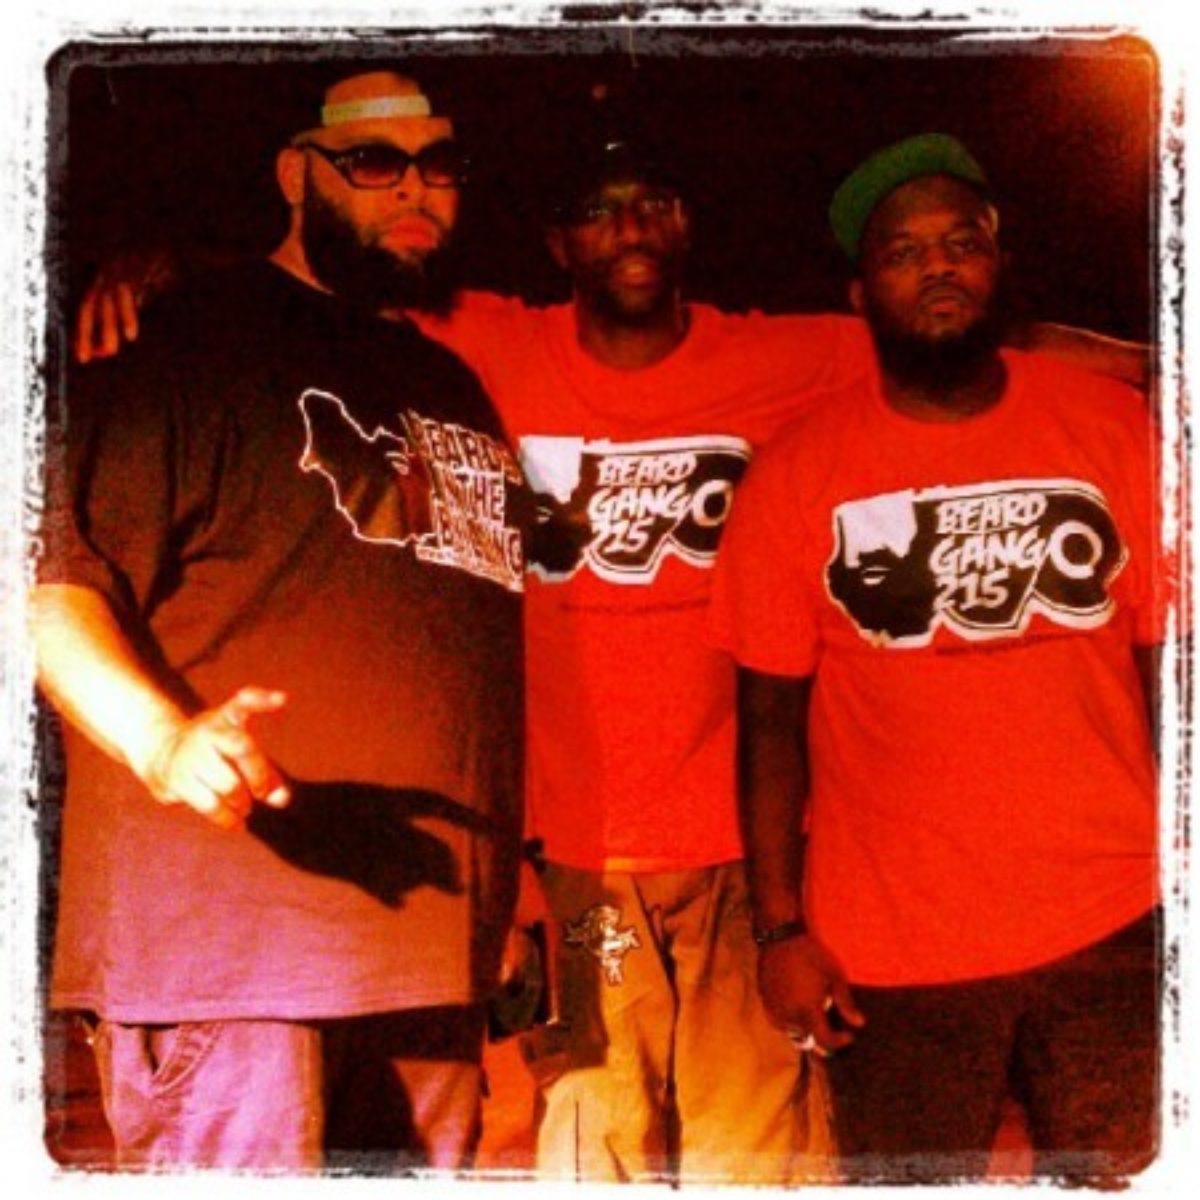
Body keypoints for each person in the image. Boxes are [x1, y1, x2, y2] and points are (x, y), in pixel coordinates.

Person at [67, 82, 1152, 1185]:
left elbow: (974, 331)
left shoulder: (782, 358)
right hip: (576, 864)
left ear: (687, 227)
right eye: (598, 209)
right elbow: (334, 277)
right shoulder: (481, 343)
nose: (629, 228)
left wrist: (1151, 361)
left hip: (737, 863)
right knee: (596, 1142)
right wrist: (168, 267)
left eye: (653, 205)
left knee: (759, 1158)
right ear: (558, 244)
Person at [32, 68, 529, 1172]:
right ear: (296, 174)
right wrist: (164, 742)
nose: (415, 187)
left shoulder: (451, 382)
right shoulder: (188, 341)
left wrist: (502, 902)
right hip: (235, 961)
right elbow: (48, 589)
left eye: (440, 164)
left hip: (429, 962)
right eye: (375, 160)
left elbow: (469, 656)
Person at [709, 132, 1164, 1184]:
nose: (938, 268)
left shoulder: (1112, 428)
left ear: (1000, 263)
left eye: (961, 243)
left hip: (1112, 919)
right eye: (904, 252)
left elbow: (1168, 665)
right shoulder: (796, 474)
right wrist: (780, 932)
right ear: (860, 293)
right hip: (895, 953)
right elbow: (770, 721)